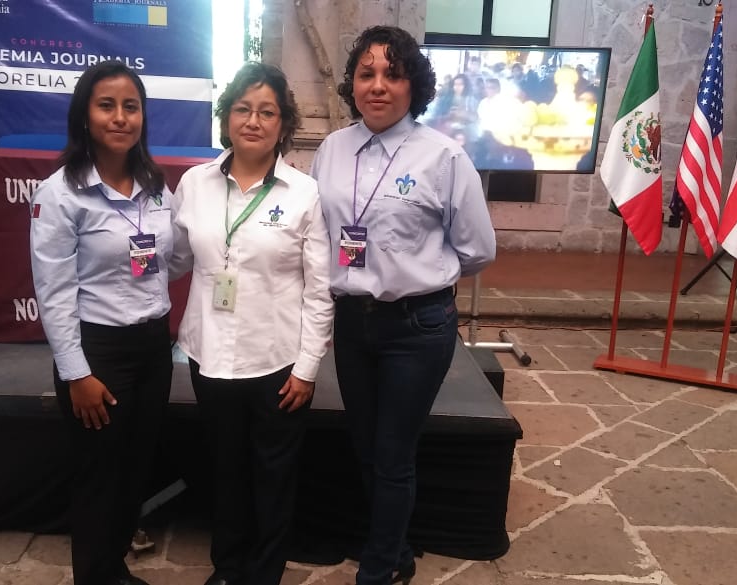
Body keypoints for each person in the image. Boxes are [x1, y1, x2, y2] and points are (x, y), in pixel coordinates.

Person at [310, 25, 496, 585]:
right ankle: (397, 549)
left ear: (414, 84)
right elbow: (319, 233)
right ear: (352, 83)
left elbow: (477, 249)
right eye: (366, 73)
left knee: (393, 452)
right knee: (366, 447)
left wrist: (419, 274)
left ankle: (379, 568)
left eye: (392, 74)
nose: (378, 86)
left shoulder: (444, 157)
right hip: (352, 322)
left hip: (417, 326)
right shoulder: (331, 150)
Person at [169, 62, 333, 585]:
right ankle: (227, 567)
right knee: (225, 469)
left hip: (276, 361)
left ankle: (264, 573)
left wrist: (307, 369)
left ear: (283, 125)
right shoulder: (194, 184)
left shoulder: (304, 194)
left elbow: (320, 289)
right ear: (227, 118)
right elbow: (175, 258)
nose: (254, 121)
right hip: (209, 355)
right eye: (243, 109)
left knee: (273, 474)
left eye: (267, 112)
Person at [29, 60, 173, 585]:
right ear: (85, 116)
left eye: (131, 107)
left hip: (153, 349)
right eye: (106, 106)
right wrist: (77, 373)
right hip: (99, 354)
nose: (120, 118)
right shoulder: (61, 193)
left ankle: (114, 571)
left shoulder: (155, 186)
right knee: (99, 477)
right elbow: (53, 290)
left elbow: (172, 257)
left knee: (134, 470)